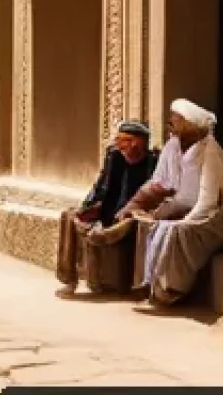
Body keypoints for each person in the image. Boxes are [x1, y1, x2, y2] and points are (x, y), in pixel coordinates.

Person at [132, 99, 223, 307]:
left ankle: (172, 289)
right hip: (202, 211)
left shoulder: (209, 150)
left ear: (189, 123)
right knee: (155, 225)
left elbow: (208, 200)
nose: (171, 122)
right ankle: (149, 281)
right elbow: (179, 192)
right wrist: (159, 213)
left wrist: (186, 220)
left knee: (178, 231)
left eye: (176, 119)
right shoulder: (177, 148)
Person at [57, 121, 159, 295]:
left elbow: (153, 196)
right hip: (107, 213)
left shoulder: (153, 162)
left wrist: (131, 211)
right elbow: (100, 187)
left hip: (130, 218)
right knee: (69, 216)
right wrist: (87, 207)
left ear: (137, 143)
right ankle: (68, 279)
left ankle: (136, 286)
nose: (118, 145)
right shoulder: (114, 156)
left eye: (122, 140)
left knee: (135, 224)